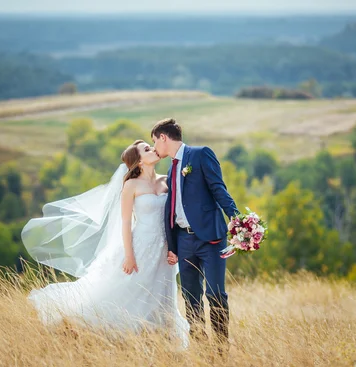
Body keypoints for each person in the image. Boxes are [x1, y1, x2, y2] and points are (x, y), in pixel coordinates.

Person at [22, 140, 189, 348]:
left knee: (163, 292)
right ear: (138, 162)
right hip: (140, 245)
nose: (153, 149)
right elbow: (127, 222)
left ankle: (163, 341)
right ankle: (118, 334)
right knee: (131, 290)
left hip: (164, 249)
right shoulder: (131, 185)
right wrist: (129, 255)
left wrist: (175, 247)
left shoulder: (167, 181)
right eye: (147, 149)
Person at [151, 118, 239, 351]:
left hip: (211, 239)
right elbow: (172, 208)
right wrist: (173, 245)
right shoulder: (171, 168)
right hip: (184, 241)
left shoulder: (200, 155)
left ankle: (221, 349)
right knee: (191, 299)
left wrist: (236, 218)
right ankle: (201, 349)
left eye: (155, 142)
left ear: (163, 137)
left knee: (215, 294)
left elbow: (218, 188)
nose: (155, 148)